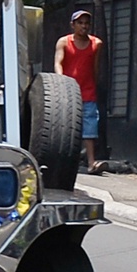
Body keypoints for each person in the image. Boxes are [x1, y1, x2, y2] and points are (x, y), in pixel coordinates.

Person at [55, 9, 103, 172]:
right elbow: (58, 63)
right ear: (73, 25)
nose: (84, 26)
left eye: (86, 23)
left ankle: (91, 163)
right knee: (66, 128)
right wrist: (61, 82)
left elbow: (95, 68)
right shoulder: (63, 42)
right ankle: (65, 163)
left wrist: (94, 85)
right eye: (80, 23)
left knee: (89, 128)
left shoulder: (96, 43)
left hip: (88, 92)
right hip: (68, 93)